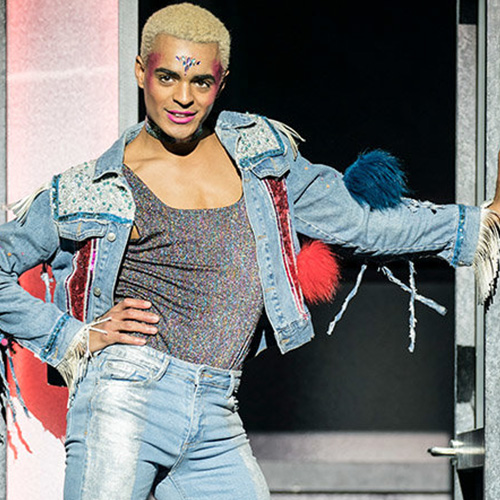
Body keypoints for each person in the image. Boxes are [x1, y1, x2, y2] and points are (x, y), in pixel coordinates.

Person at [1, 2, 499, 499]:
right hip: (123, 402)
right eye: (167, 77)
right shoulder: (93, 188)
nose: (183, 97)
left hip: (217, 407)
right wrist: (70, 337)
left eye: (200, 83)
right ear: (140, 71)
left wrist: (477, 224)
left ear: (222, 82)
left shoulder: (262, 159)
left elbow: (357, 222)